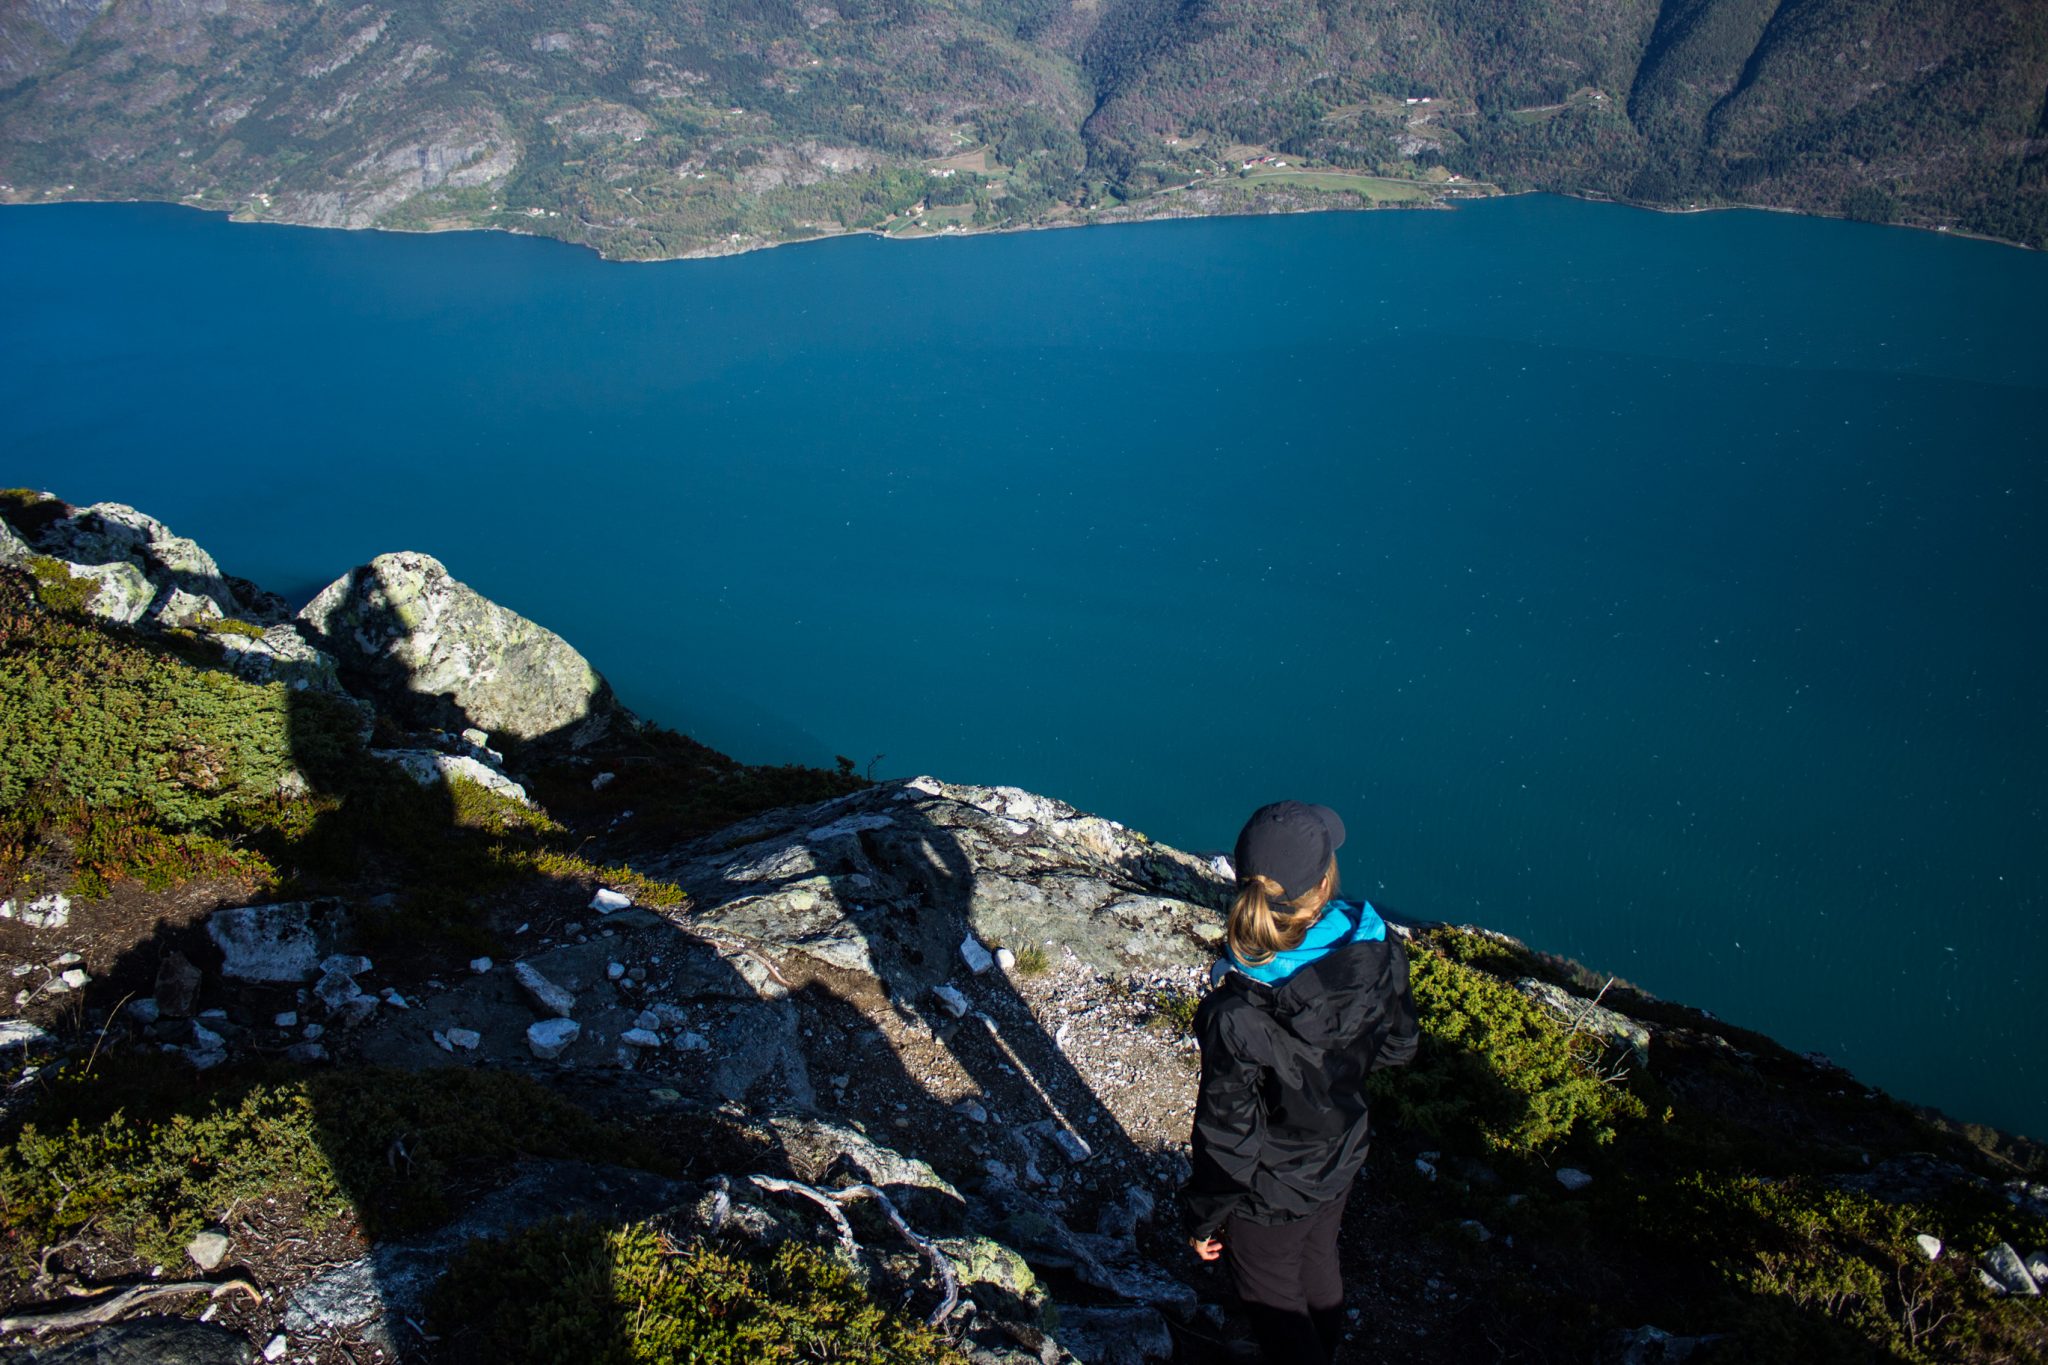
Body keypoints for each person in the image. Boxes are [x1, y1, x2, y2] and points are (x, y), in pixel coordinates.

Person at [1181, 800, 1419, 1363]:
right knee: (1316, 1256)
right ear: (1322, 882)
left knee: (1270, 1294)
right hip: (1342, 1151)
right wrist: (1339, 1065)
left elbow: (1229, 1133)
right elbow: (1401, 1047)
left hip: (1271, 1186)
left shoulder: (1236, 1014)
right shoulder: (1379, 946)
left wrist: (1205, 1215)